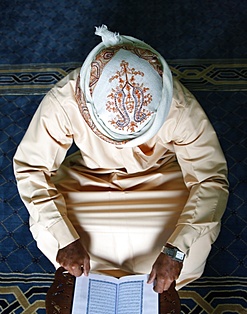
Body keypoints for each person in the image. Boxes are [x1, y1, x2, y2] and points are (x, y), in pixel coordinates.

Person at [13, 25, 229, 292]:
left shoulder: (177, 104)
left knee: (192, 246)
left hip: (162, 178)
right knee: (51, 232)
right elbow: (31, 168)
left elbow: (210, 178)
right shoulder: (65, 99)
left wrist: (175, 250)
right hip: (88, 177)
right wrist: (66, 238)